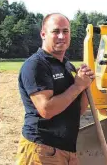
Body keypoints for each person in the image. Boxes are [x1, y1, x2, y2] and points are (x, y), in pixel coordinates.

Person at [15, 13, 95, 164]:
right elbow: (47, 110)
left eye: (65, 31)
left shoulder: (67, 66)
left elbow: (79, 110)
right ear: (43, 34)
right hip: (42, 149)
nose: (61, 36)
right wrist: (77, 86)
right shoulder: (36, 65)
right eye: (55, 31)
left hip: (68, 149)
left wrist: (85, 86)